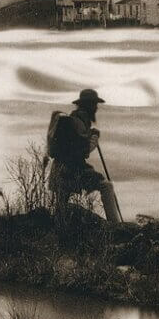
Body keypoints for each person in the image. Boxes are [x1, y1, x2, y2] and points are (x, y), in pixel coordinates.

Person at [47, 88, 121, 223]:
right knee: (106, 186)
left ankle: (57, 226)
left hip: (59, 170)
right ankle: (115, 226)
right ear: (89, 106)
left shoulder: (73, 120)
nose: (96, 108)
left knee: (61, 207)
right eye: (94, 105)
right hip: (70, 171)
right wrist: (94, 137)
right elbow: (82, 151)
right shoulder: (78, 123)